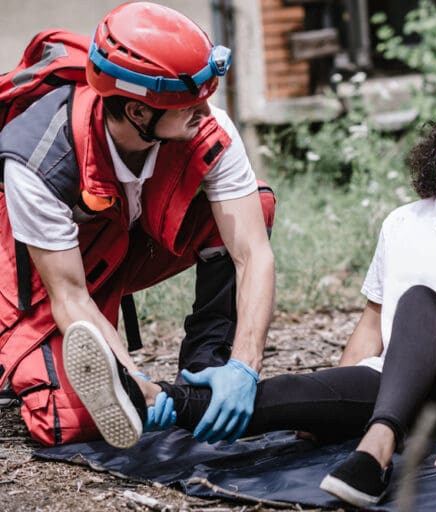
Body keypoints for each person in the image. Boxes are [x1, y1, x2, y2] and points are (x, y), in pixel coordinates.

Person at [62, 88, 436, 507]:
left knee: (419, 302)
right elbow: (371, 324)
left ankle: (376, 450)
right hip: (399, 384)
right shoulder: (403, 222)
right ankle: (153, 400)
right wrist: (327, 400)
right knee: (287, 396)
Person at [0, 2, 276, 448]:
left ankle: (206, 363)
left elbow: (253, 254)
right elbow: (69, 297)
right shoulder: (37, 160)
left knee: (255, 207)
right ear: (137, 112)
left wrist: (245, 366)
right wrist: (136, 383)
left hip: (129, 245)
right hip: (48, 271)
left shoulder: (204, 127)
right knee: (66, 422)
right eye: (189, 103)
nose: (205, 112)